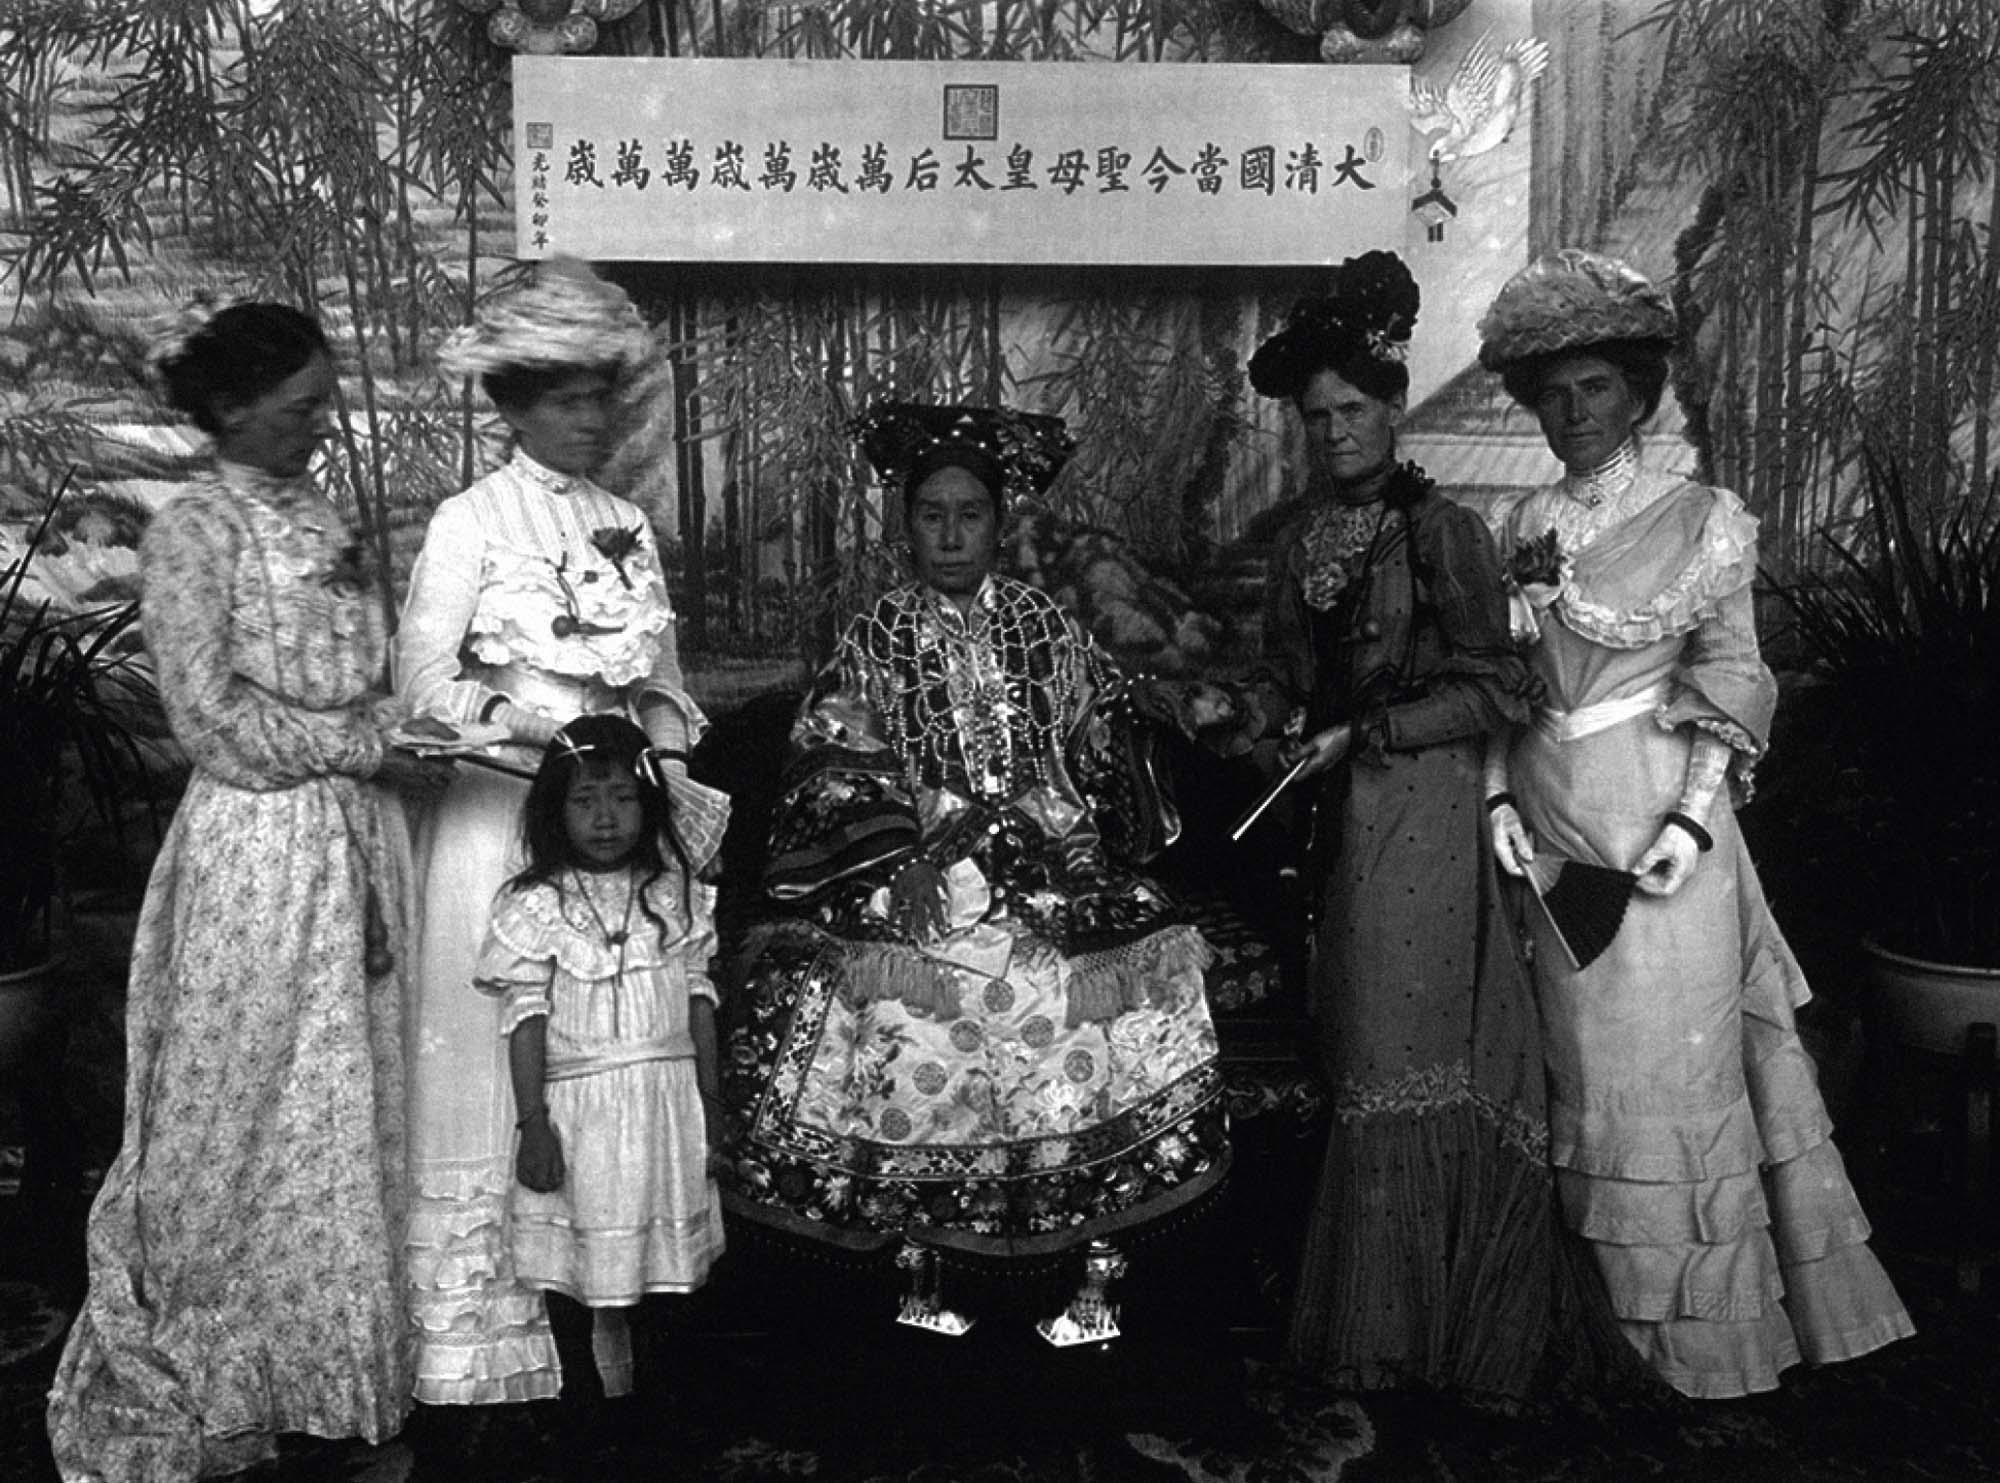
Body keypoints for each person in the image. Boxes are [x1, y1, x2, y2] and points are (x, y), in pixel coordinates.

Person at [1475, 248, 1914, 1398]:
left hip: (1661, 820)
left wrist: (1692, 819)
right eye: (1553, 395)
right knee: (1575, 1072)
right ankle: (1591, 1336)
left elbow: (1731, 670)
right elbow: (1496, 683)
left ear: (1638, 393)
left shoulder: (1701, 517)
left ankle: (1694, 1354)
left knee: (1661, 1078)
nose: (1573, 414)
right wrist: (1491, 796)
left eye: (1597, 391)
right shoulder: (1516, 519)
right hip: (1549, 817)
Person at [718, 402, 1229, 1331]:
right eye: (931, 514)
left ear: (1001, 523)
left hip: (1046, 869)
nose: (951, 534)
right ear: (904, 524)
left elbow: (1092, 740)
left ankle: (1091, 1247)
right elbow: (837, 758)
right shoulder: (874, 637)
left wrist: (1066, 800)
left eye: (971, 514)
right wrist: (903, 855)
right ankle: (922, 1256)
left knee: (1118, 988)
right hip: (914, 872)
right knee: (886, 1005)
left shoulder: (1046, 626)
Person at [47, 301, 445, 1481]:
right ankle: (217, 1377)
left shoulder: (317, 515)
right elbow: (208, 720)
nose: (323, 423)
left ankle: (328, 1378)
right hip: (255, 853)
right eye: (304, 404)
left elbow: (358, 680)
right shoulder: (192, 533)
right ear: (232, 407)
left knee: (341, 1106)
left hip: (352, 844)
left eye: (324, 401)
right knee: (231, 1113)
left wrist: (404, 734)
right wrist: (354, 750)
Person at [1198, 251, 1601, 1405]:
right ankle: (1389, 1319)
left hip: (1421, 816)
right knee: (1355, 1054)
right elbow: (1288, 675)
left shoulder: (1445, 536)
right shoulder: (1298, 542)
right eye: (1314, 418)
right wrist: (1246, 706)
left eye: (1353, 413)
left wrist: (1365, 734)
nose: (1332, 435)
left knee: (1396, 1060)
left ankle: (1415, 1337)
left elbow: (1502, 691)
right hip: (1334, 829)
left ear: (1389, 410)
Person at [396, 260, 726, 1415]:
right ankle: (483, 1351)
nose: (591, 419)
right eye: (567, 399)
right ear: (514, 401)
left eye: (601, 396)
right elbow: (422, 684)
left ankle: (610, 1318)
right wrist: (539, 730)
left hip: (614, 844)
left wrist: (668, 783)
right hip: (500, 836)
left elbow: (665, 688)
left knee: (611, 1070)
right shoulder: (468, 521)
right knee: (505, 1069)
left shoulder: (625, 521)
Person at [475, 714, 724, 1407]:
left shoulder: (676, 893)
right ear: (557, 810)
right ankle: (580, 1396)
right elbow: (524, 1020)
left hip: (665, 1105)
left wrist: (713, 1101)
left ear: (648, 806)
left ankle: (658, 1403)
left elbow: (699, 1000)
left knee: (659, 1262)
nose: (606, 817)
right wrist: (535, 1124)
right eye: (585, 800)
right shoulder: (537, 903)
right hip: (580, 1110)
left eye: (621, 797)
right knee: (575, 1256)